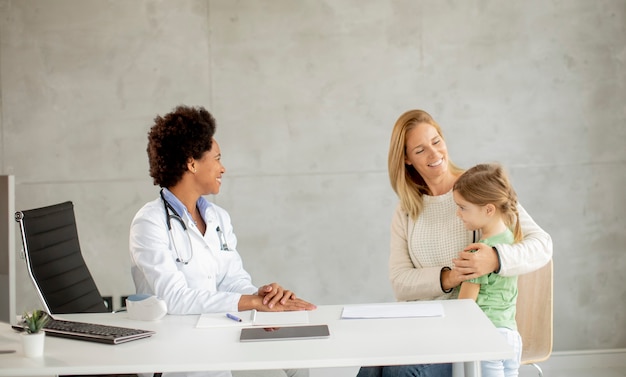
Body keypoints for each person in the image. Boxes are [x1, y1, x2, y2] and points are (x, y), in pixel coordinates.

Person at [357, 109, 552, 377]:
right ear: (406, 159)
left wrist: (495, 259)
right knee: (371, 366)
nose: (435, 154)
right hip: (421, 327)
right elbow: (400, 281)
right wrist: (448, 278)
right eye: (421, 149)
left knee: (401, 373)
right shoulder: (406, 210)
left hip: (467, 329)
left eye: (436, 141)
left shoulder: (478, 191)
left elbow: (542, 245)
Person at [129, 105, 316, 377]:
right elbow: (175, 300)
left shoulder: (217, 217)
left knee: (297, 360)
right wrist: (250, 303)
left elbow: (232, 280)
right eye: (216, 158)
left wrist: (262, 297)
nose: (223, 168)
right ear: (191, 163)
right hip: (174, 354)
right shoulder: (149, 223)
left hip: (216, 337)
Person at [453, 163, 523, 377]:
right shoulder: (513, 240)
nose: (458, 214)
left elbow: (465, 305)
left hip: (486, 337)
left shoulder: (478, 253)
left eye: (463, 207)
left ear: (489, 209)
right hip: (511, 336)